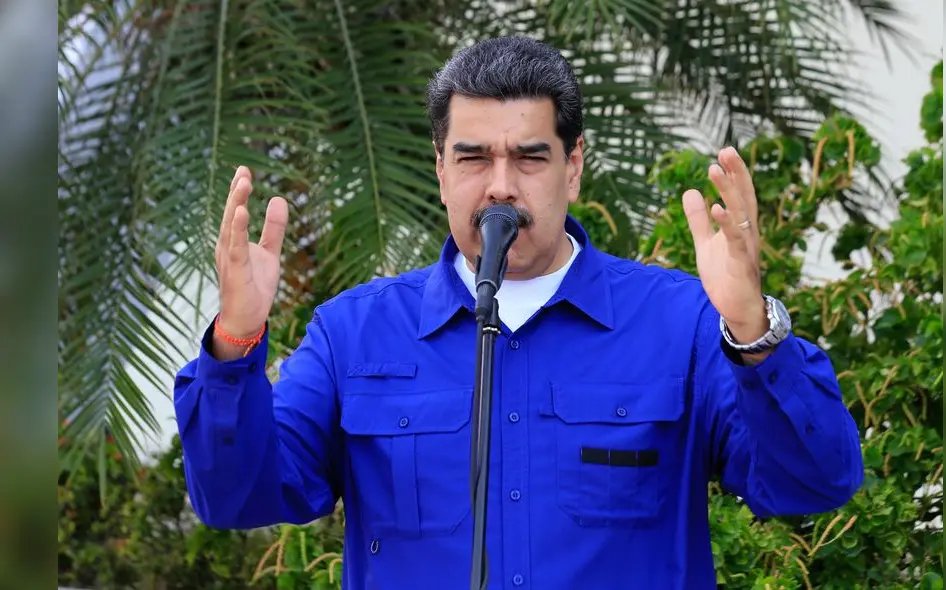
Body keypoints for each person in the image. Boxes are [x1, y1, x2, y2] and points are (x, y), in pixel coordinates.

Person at [174, 35, 864, 589]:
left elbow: (811, 482)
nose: (500, 185)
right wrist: (234, 341)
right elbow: (238, 499)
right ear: (440, 168)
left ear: (572, 167)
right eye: (473, 157)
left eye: (530, 157)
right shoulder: (353, 334)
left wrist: (753, 333)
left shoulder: (679, 322)